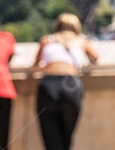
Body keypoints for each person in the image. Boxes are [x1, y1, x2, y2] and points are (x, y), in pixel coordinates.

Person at [33, 13, 99, 150]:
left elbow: (36, 63)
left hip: (49, 85)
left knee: (51, 140)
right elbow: (95, 58)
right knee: (67, 139)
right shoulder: (82, 42)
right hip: (71, 85)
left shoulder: (47, 41)